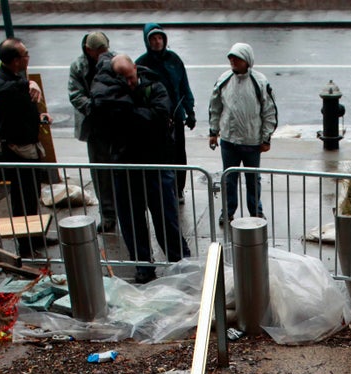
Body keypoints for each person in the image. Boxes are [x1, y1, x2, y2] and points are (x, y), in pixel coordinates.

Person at [91, 53, 191, 283]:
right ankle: (144, 266)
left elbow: (157, 116)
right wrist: (135, 116)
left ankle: (180, 262)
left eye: (131, 76)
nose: (130, 83)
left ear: (136, 68)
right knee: (132, 221)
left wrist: (127, 114)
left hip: (155, 163)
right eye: (124, 79)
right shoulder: (107, 89)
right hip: (126, 167)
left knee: (166, 218)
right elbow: (103, 120)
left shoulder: (153, 85)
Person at [0, 37, 51, 257]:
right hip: (17, 150)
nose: (28, 57)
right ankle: (25, 246)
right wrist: (27, 83)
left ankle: (36, 235)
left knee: (32, 194)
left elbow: (21, 109)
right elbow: (3, 92)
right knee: (22, 198)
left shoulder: (16, 76)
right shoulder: (1, 79)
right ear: (15, 60)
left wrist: (40, 118)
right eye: (25, 54)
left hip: (30, 145)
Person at [208, 42, 277, 224]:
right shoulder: (224, 79)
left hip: (251, 141)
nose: (232, 60)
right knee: (229, 179)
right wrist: (213, 132)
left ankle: (255, 212)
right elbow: (215, 107)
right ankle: (228, 210)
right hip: (229, 141)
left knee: (253, 180)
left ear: (247, 60)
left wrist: (266, 138)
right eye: (231, 57)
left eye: (236, 57)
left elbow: (269, 111)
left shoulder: (259, 82)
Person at [136, 22, 197, 201]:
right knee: (160, 154)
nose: (157, 42)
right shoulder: (141, 63)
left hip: (176, 116)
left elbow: (184, 86)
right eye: (153, 39)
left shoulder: (174, 60)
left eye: (160, 38)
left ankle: (178, 188)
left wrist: (189, 111)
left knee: (179, 153)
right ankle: (162, 188)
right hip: (155, 119)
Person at [68, 31, 116, 231]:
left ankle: (125, 209)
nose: (104, 54)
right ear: (89, 50)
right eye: (99, 51)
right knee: (101, 173)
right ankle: (108, 214)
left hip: (114, 126)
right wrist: (95, 107)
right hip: (94, 127)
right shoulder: (79, 67)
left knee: (121, 170)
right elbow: (75, 94)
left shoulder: (114, 61)